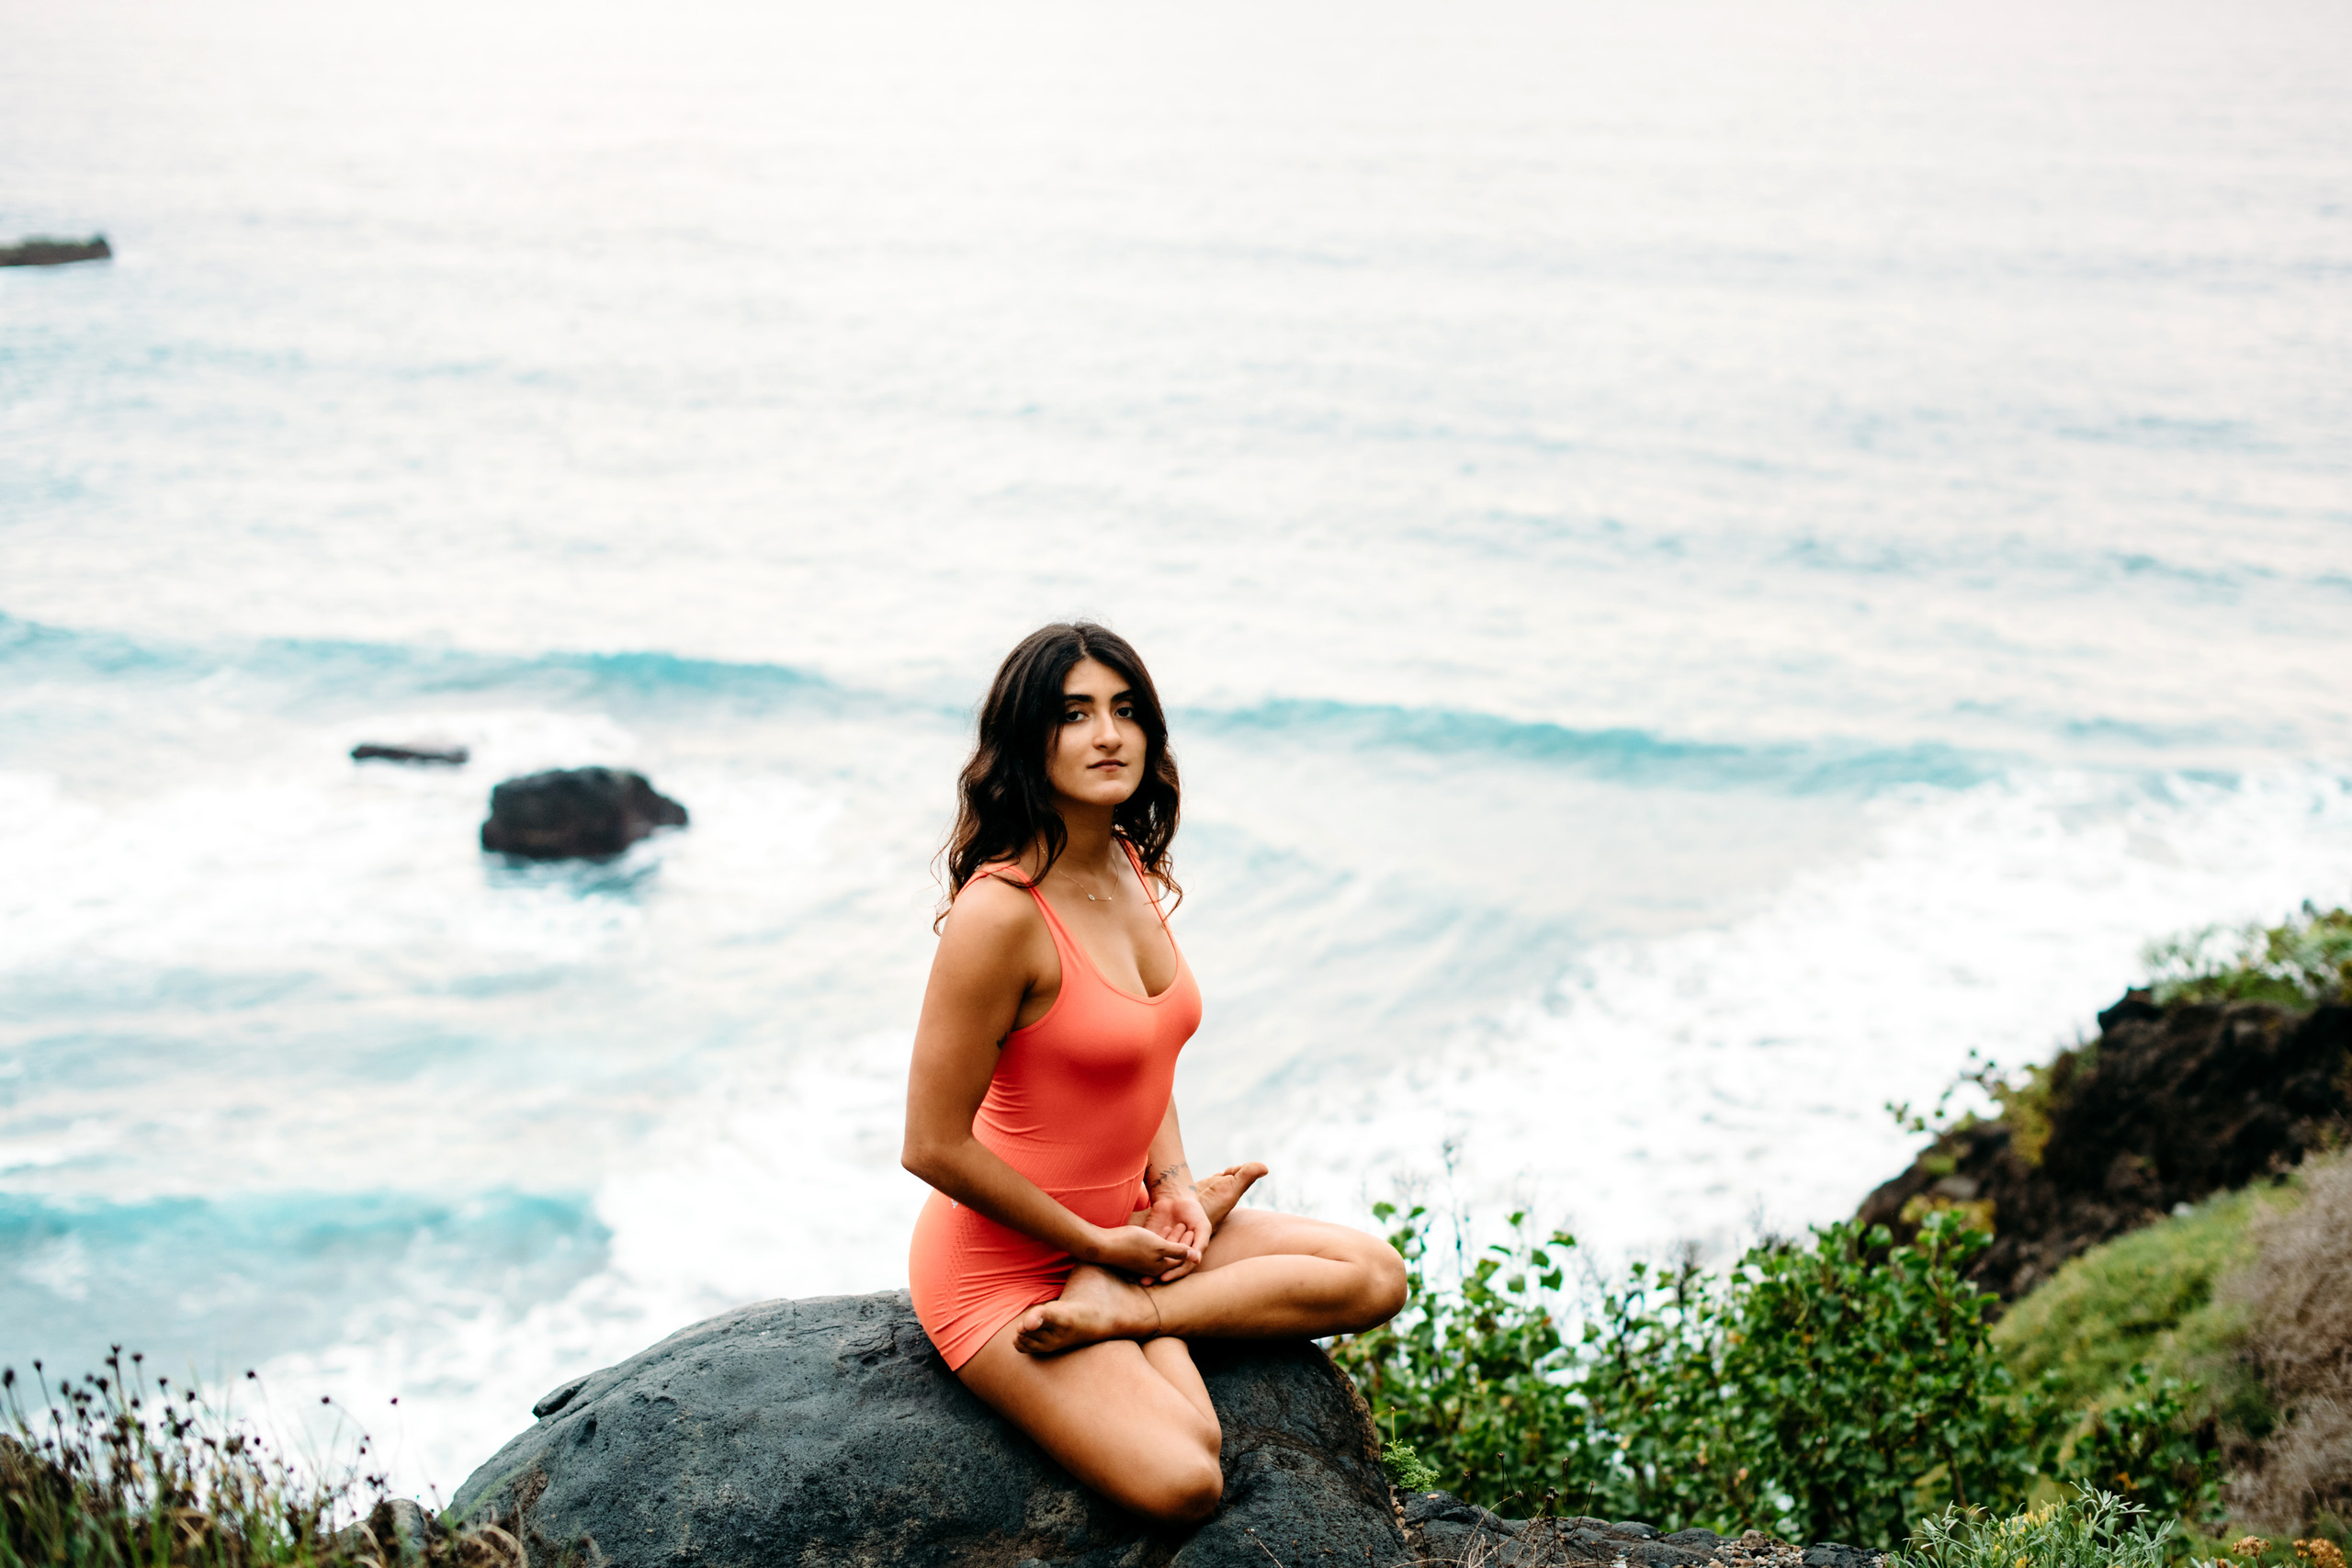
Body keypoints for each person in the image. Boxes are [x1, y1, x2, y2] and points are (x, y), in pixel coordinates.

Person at [901, 622, 1408, 1527]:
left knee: (1373, 1275)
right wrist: (1094, 1248)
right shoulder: (1001, 914)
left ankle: (1127, 1310)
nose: (1109, 736)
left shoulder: (1127, 865)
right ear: (1026, 740)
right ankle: (1119, 1296)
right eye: (1075, 714)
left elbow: (1140, 1053)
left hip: (1124, 1231)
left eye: (1126, 711)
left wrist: (1169, 1186)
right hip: (1003, 1263)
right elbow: (930, 1145)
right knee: (1187, 1476)